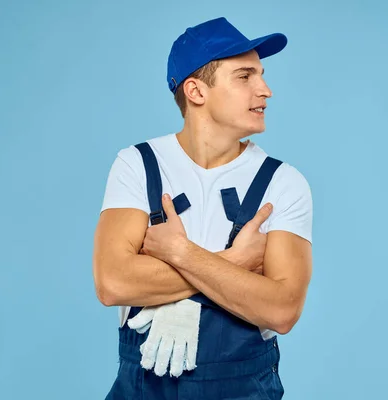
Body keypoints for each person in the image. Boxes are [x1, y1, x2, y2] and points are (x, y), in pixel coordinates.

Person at [93, 16, 313, 399]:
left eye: (261, 74)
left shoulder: (283, 182)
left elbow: (282, 309)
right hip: (143, 386)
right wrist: (233, 261)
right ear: (196, 91)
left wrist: (178, 253)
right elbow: (113, 283)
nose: (266, 90)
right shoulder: (138, 165)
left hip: (243, 387)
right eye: (245, 77)